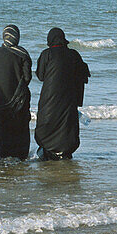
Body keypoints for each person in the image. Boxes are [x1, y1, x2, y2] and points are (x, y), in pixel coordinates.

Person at [34, 27, 90, 160]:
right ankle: (64, 152)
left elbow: (41, 76)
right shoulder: (74, 54)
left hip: (49, 98)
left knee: (47, 122)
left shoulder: (46, 54)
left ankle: (47, 150)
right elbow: (83, 73)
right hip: (69, 98)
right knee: (67, 125)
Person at [0, 24, 33, 159]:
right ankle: (20, 157)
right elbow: (27, 78)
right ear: (17, 37)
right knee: (20, 128)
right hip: (19, 101)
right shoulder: (23, 54)